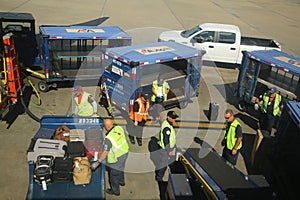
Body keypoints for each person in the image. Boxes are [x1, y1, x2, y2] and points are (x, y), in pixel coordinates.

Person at [98, 118, 129, 196]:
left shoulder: (108, 139)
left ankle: (115, 191)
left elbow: (105, 152)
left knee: (113, 176)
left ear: (106, 127)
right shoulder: (119, 128)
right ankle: (122, 182)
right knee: (121, 169)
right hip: (125, 153)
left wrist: (99, 160)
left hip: (116, 159)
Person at [155, 110, 179, 182]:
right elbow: (166, 140)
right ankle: (159, 178)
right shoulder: (167, 128)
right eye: (173, 118)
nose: (174, 119)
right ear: (168, 117)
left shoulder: (168, 124)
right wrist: (169, 151)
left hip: (168, 148)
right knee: (163, 164)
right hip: (165, 150)